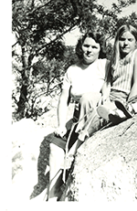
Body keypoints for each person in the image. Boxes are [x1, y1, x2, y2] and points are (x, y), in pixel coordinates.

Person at [35, 32, 108, 201]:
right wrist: (61, 125)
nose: (89, 50)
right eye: (86, 46)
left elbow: (107, 91)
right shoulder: (72, 70)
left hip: (94, 116)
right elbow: (63, 99)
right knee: (55, 145)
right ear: (81, 47)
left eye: (94, 47)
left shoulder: (104, 65)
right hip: (76, 117)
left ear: (100, 49)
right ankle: (52, 194)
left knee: (86, 99)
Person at [97, 24, 137, 121]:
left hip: (123, 98)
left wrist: (129, 104)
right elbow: (108, 82)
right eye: (122, 39)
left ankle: (84, 135)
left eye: (130, 40)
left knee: (101, 116)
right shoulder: (115, 59)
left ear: (136, 42)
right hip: (110, 95)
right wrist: (105, 96)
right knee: (92, 105)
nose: (125, 43)